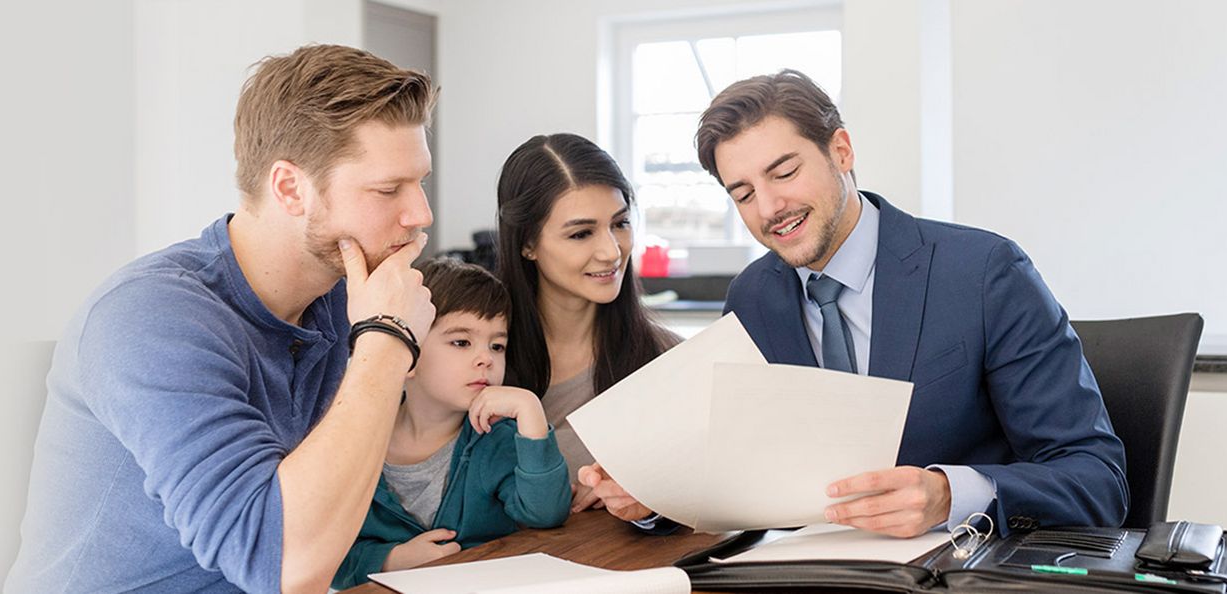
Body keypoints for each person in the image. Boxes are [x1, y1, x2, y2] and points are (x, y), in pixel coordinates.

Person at [582, 69, 1127, 538]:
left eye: (784, 171)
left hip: (958, 569)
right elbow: (737, 478)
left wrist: (948, 493)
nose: (770, 207)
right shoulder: (753, 297)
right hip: (809, 572)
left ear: (840, 150)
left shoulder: (984, 273)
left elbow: (1097, 479)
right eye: (743, 194)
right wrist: (655, 496)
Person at [4, 44, 439, 593]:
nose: (421, 214)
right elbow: (282, 566)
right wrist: (387, 341)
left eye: (419, 181)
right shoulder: (150, 318)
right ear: (289, 188)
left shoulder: (341, 297)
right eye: (387, 189)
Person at [332, 259, 571, 589]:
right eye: (461, 342)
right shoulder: (353, 442)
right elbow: (329, 555)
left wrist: (530, 411)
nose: (486, 358)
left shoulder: (496, 437)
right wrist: (391, 560)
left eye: (497, 345)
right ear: (407, 353)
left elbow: (545, 514)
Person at [491, 134, 681, 520]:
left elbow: (704, 501)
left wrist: (648, 504)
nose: (612, 251)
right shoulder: (475, 356)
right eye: (581, 233)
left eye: (620, 223)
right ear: (527, 243)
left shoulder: (667, 360)